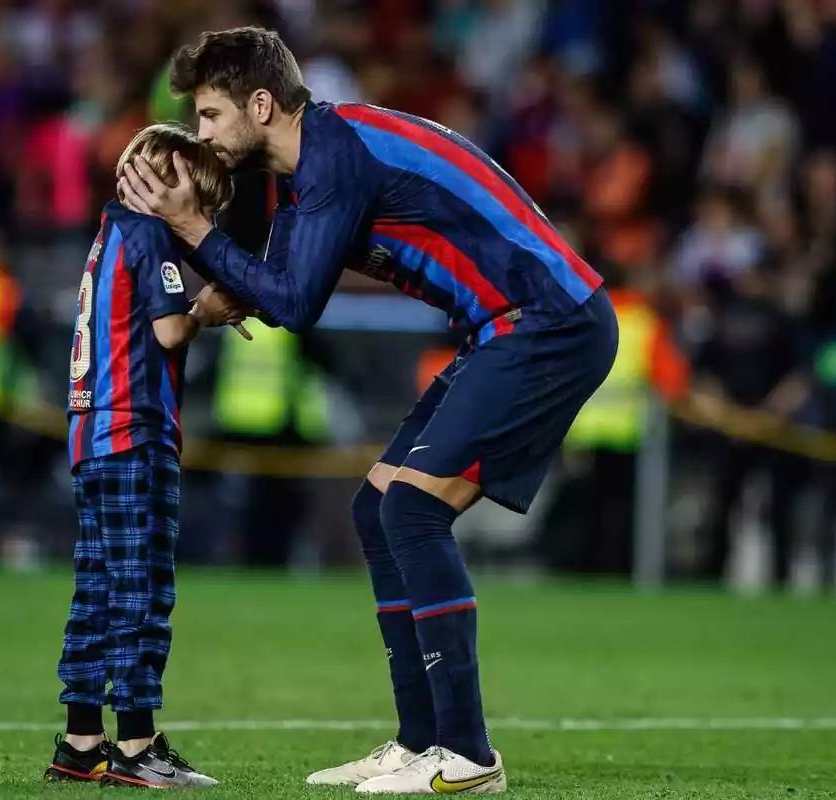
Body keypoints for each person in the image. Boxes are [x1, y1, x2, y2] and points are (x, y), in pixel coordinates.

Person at [119, 27, 618, 796]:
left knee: (413, 510)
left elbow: (295, 300)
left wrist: (194, 230)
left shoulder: (334, 158)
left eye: (212, 115)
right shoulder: (318, 161)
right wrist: (225, 287)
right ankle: (421, 743)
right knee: (379, 504)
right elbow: (279, 279)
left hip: (547, 321)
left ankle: (469, 755)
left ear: (261, 104)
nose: (204, 134)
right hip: (511, 325)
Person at [46, 123, 247, 789]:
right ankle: (136, 744)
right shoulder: (151, 234)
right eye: (203, 200)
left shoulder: (106, 235)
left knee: (97, 588)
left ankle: (81, 740)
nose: (203, 217)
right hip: (136, 432)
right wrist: (206, 310)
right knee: (142, 590)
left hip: (92, 435)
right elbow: (167, 328)